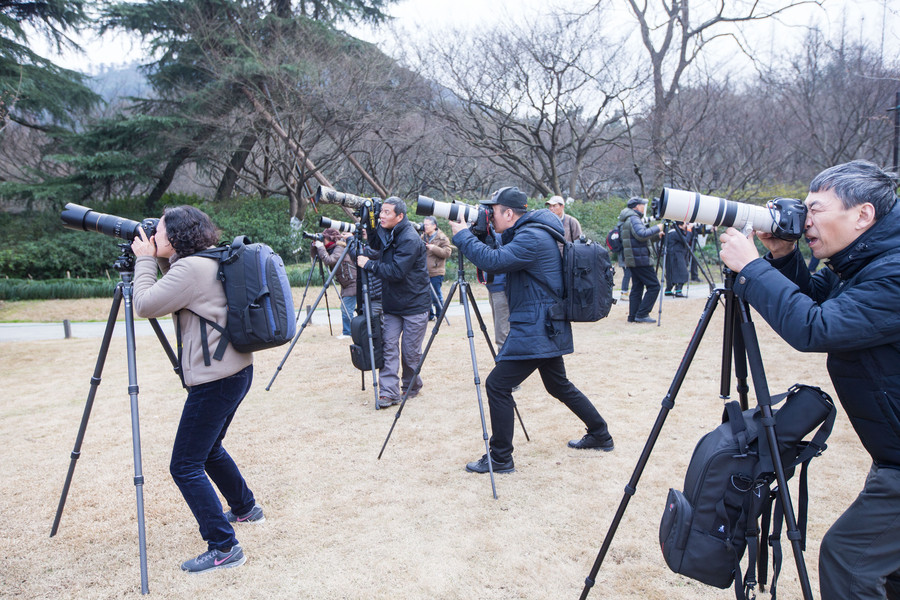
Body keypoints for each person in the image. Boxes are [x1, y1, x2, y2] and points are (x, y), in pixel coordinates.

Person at [718, 160, 900, 600]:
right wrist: (781, 254)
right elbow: (817, 298)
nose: (807, 219)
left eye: (816, 209)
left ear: (862, 216)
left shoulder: (892, 271)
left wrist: (751, 269)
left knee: (848, 560)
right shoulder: (862, 261)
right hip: (893, 452)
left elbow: (814, 327)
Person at [131, 206, 262, 574]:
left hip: (215, 380)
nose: (151, 237)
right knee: (209, 450)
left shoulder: (189, 268)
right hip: (237, 370)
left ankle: (224, 547)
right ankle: (245, 508)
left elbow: (145, 304)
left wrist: (143, 260)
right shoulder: (206, 260)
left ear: (173, 237)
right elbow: (176, 290)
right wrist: (157, 258)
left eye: (156, 232)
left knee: (184, 464)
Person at [450, 186, 613, 474]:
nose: (490, 216)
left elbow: (494, 261)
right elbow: (500, 250)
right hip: (545, 323)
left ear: (509, 213)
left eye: (494, 212)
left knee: (497, 385)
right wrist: (480, 233)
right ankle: (600, 434)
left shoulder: (532, 237)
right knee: (558, 385)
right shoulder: (533, 232)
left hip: (537, 326)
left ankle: (500, 458)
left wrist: (462, 235)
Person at [357, 197, 431, 409]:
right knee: (388, 347)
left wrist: (369, 265)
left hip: (414, 304)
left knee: (409, 352)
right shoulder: (388, 231)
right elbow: (374, 244)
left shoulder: (409, 238)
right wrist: (370, 223)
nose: (382, 215)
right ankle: (389, 393)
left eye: (386, 213)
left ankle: (411, 385)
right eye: (382, 212)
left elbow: (397, 272)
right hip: (392, 304)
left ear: (400, 216)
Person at [618, 196, 664, 323]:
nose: (644, 207)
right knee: (654, 286)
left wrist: (656, 236)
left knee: (637, 288)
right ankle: (642, 314)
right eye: (643, 205)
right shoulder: (634, 218)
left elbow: (638, 238)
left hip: (634, 259)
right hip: (641, 259)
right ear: (637, 206)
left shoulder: (628, 218)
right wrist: (658, 228)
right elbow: (641, 235)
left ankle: (633, 316)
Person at [313, 228, 356, 339]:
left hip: (353, 282)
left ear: (330, 238)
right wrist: (315, 246)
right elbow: (316, 257)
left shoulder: (340, 247)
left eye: (324, 238)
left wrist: (321, 247)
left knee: (346, 308)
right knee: (348, 308)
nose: (323, 241)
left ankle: (348, 333)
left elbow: (329, 260)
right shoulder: (331, 249)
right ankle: (349, 331)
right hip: (347, 283)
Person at [421, 216, 452, 320]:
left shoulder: (442, 237)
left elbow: (447, 253)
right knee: (425, 296)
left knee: (436, 296)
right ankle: (429, 316)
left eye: (427, 225)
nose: (424, 227)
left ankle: (440, 315)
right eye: (424, 224)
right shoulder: (423, 237)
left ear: (434, 226)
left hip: (436, 272)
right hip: (424, 272)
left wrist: (434, 248)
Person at [664, 222, 693, 297]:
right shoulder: (675, 233)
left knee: (671, 273)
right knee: (682, 272)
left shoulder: (672, 231)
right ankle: (678, 291)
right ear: (679, 225)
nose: (686, 225)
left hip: (672, 255)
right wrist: (689, 230)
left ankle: (668, 290)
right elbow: (685, 240)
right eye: (685, 224)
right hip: (676, 255)